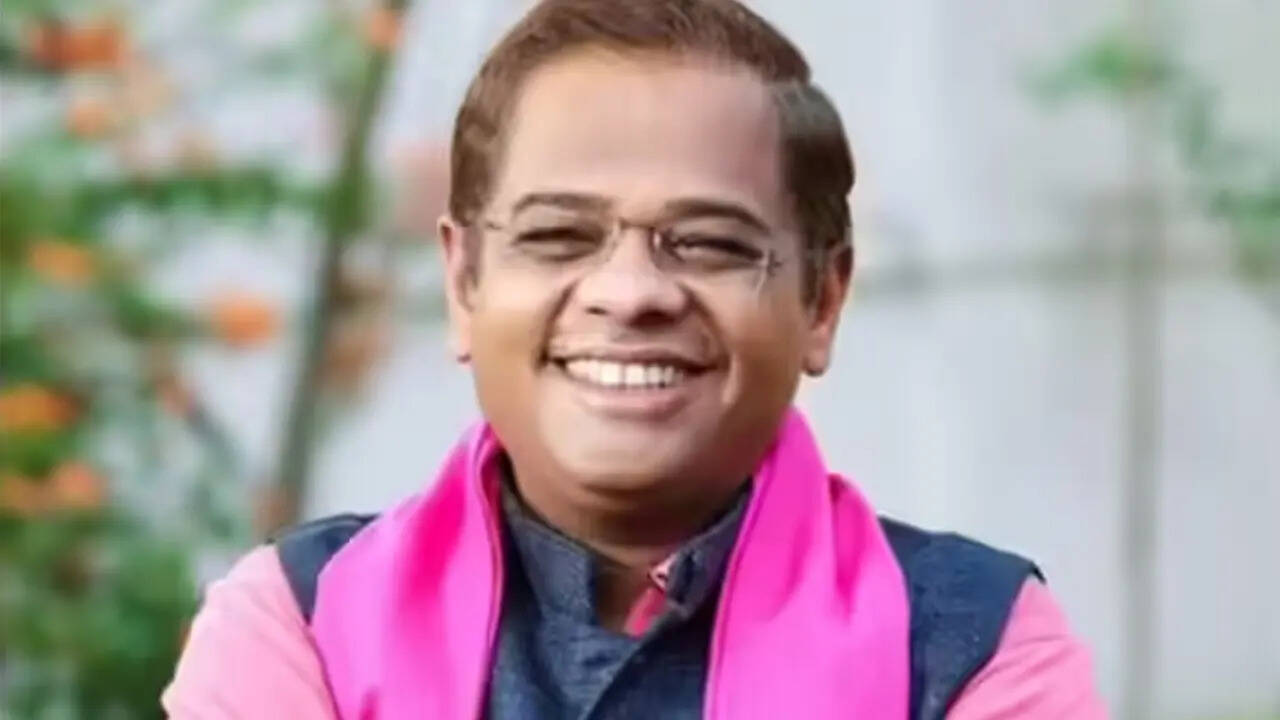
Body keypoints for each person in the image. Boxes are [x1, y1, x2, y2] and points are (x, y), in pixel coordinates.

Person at [164, 1, 1106, 717]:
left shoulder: (976, 649)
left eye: (710, 243)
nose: (630, 291)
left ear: (822, 300)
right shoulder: (300, 628)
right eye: (559, 236)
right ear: (463, 283)